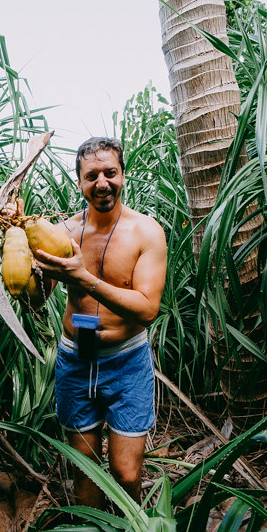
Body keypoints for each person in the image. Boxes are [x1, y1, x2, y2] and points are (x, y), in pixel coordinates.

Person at [33, 137, 168, 507]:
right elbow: (37, 300)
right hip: (75, 359)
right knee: (85, 470)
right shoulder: (63, 233)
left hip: (126, 362)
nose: (102, 183)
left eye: (110, 173)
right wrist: (20, 256)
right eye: (92, 176)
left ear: (123, 175)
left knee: (127, 473)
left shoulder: (146, 232)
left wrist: (84, 278)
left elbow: (147, 310)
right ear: (80, 182)